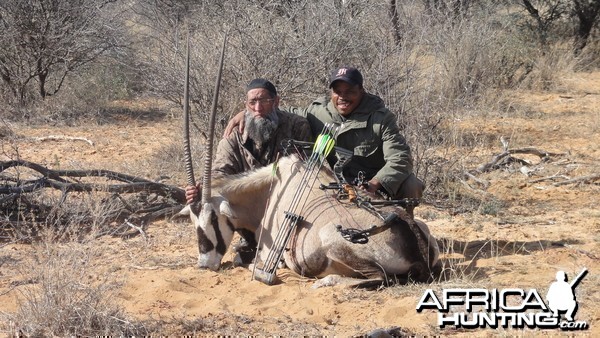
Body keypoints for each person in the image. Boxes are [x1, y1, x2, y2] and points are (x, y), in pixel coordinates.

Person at [225, 67, 424, 217]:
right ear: (331, 92)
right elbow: (279, 112)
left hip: (375, 184)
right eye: (338, 91)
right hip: (337, 184)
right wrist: (248, 113)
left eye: (350, 91)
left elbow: (400, 157)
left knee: (411, 184)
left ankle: (407, 223)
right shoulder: (318, 112)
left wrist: (375, 183)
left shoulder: (381, 118)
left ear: (361, 90)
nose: (343, 97)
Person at [186, 78, 312, 262]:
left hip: (288, 209)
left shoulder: (297, 126)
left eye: (264, 101)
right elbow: (220, 173)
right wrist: (202, 189)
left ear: (276, 102)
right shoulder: (234, 134)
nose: (258, 108)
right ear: (246, 105)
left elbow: (307, 170)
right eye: (252, 102)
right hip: (251, 212)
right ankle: (251, 242)